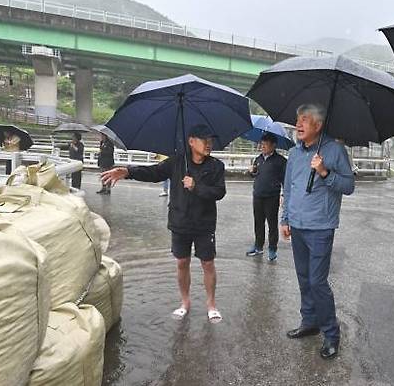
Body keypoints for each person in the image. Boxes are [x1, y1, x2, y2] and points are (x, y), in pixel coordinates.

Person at [101, 124, 226, 323]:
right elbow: (153, 172)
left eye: (210, 140)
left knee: (208, 263)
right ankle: (185, 302)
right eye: (204, 140)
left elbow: (219, 192)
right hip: (180, 221)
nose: (209, 144)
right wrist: (127, 171)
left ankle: (211, 305)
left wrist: (196, 186)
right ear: (191, 141)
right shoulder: (177, 162)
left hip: (204, 223)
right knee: (182, 263)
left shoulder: (216, 166)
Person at [280, 104, 355, 360]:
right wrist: (285, 219)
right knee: (303, 278)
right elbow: (289, 188)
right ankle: (309, 322)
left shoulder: (334, 150)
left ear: (318, 125)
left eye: (304, 120)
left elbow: (348, 186)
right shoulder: (294, 153)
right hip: (298, 226)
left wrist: (324, 172)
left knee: (317, 282)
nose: (298, 125)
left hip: (321, 227)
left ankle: (331, 335)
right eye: (297, 120)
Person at [246, 132, 287, 261]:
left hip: (272, 197)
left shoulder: (280, 161)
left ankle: (272, 249)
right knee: (258, 222)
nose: (262, 146)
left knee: (272, 224)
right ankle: (258, 246)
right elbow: (255, 175)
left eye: (265, 144)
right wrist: (251, 172)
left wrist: (284, 194)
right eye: (261, 144)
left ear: (273, 145)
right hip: (258, 195)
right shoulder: (258, 159)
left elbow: (285, 179)